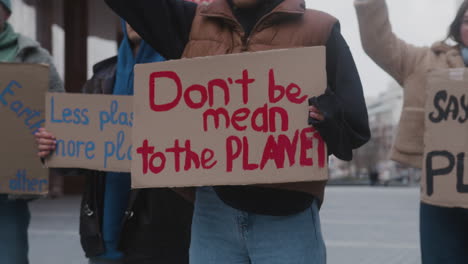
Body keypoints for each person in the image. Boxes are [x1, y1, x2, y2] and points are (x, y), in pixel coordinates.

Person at [104, 0, 371, 263]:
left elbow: (355, 128)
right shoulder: (192, 22)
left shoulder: (320, 29)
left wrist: (329, 116)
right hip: (213, 214)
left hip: (288, 217)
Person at [36, 22, 193, 264]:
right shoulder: (101, 78)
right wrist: (53, 147)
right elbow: (80, 155)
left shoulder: (185, 75)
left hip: (161, 233)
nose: (134, 18)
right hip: (105, 230)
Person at [354, 0, 468, 263]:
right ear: (457, 26)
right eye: (467, 20)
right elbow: (379, 44)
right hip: (442, 196)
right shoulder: (423, 61)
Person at [0, 1, 64, 264]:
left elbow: (60, 114)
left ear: (6, 11)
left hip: (9, 187)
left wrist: (50, 138)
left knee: (11, 257)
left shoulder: (33, 55)